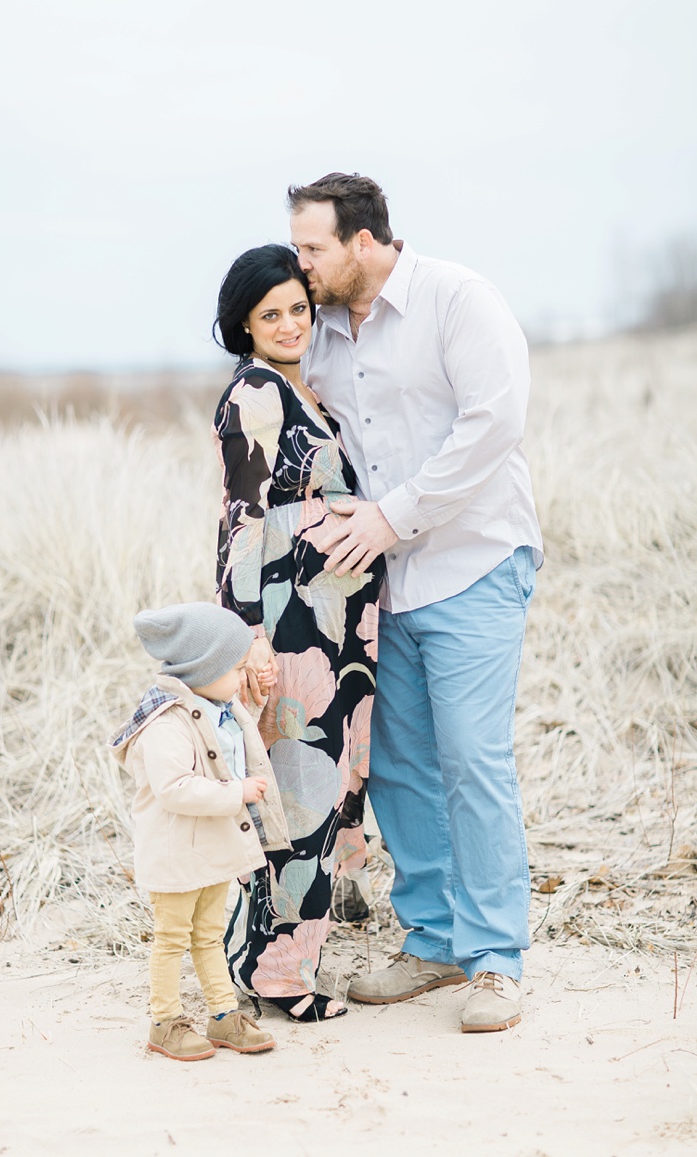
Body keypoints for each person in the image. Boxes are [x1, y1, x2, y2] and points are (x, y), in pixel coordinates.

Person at [287, 172, 544, 1033]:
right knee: (396, 766)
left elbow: (494, 420)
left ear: (364, 241)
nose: (303, 262)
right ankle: (432, 940)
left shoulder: (456, 299)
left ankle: (495, 959)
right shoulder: (319, 328)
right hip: (380, 587)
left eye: (313, 247)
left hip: (472, 561)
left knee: (472, 760)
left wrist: (393, 516)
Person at [211, 244, 385, 1022]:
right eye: (268, 314)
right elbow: (242, 520)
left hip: (338, 631)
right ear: (243, 325)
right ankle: (281, 975)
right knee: (300, 798)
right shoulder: (253, 392)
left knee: (326, 794)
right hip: (290, 630)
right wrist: (246, 635)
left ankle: (264, 958)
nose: (288, 323)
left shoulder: (300, 388)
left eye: (296, 309)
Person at [109, 601, 290, 1060]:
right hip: (174, 854)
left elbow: (235, 743)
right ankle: (164, 1022)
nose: (241, 676)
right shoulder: (167, 721)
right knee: (172, 938)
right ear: (202, 669)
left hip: (211, 850)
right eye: (235, 668)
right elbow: (174, 789)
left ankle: (223, 1015)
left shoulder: (217, 707)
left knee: (208, 935)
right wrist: (239, 792)